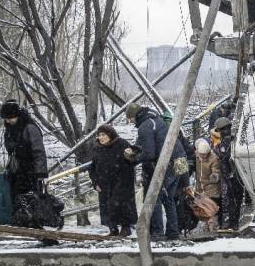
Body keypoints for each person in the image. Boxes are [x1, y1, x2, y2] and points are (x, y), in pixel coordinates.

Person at [126, 103, 186, 241]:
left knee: (155, 199)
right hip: (180, 160)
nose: (130, 122)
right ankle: (173, 232)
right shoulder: (157, 120)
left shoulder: (145, 126)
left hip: (166, 164)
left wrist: (133, 159)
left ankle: (158, 233)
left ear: (134, 116)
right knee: (169, 199)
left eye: (130, 119)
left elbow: (149, 153)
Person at [0, 100, 48, 219]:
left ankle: (32, 222)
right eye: (6, 119)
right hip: (16, 171)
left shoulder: (30, 128)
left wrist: (40, 173)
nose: (8, 121)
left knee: (30, 200)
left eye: (10, 118)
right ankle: (19, 221)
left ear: (17, 116)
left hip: (30, 172)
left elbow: (39, 151)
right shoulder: (9, 130)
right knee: (16, 199)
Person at [89, 124, 136, 237]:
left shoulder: (121, 144)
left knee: (122, 205)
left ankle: (126, 228)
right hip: (104, 182)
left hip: (121, 181)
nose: (101, 138)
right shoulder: (97, 148)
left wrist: (132, 154)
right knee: (107, 206)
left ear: (110, 135)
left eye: (103, 135)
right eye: (99, 135)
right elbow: (92, 168)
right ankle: (112, 229)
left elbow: (132, 160)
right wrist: (95, 183)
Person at [212, 116, 244, 230]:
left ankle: (233, 224)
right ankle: (233, 223)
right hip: (236, 174)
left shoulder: (226, 142)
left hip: (231, 175)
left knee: (232, 200)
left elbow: (224, 157)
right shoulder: (234, 139)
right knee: (237, 199)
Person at [194, 138, 222, 232]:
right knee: (204, 210)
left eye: (205, 154)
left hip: (211, 188)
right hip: (201, 188)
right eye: (201, 154)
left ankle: (213, 227)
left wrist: (215, 175)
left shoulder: (213, 158)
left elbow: (216, 170)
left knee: (210, 209)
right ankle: (207, 227)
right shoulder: (197, 157)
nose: (203, 156)